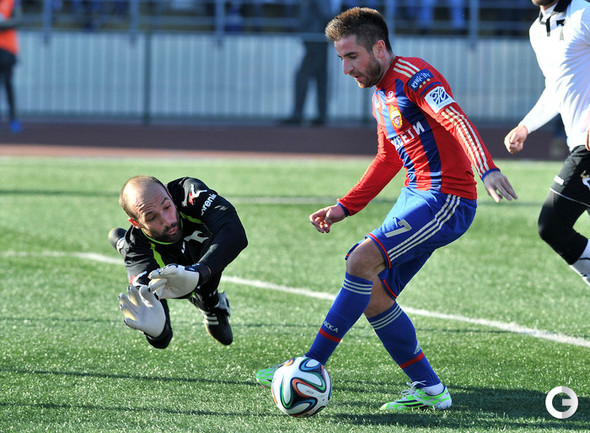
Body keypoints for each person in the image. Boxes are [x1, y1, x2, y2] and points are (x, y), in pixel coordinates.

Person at [257, 7, 517, 411]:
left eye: (352, 57)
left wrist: (487, 168)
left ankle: (310, 365)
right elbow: (387, 158)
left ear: (379, 48)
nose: (346, 69)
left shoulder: (415, 76)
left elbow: (456, 120)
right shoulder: (380, 94)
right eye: (341, 58)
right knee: (374, 292)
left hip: (446, 198)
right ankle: (429, 388)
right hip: (415, 195)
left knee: (360, 260)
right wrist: (344, 207)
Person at [504, 0, 590, 287]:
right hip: (579, 144)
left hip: (587, 150)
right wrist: (526, 126)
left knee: (551, 225)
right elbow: (556, 88)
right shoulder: (536, 32)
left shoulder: (583, 12)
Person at [110, 175, 248, 349]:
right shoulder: (137, 250)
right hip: (162, 269)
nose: (168, 221)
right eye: (151, 218)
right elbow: (162, 338)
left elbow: (235, 233)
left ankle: (209, 302)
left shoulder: (187, 193)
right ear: (136, 223)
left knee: (213, 249)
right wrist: (157, 334)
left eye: (167, 207)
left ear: (169, 194)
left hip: (200, 251)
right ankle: (123, 244)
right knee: (164, 285)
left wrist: (200, 271)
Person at [280, 0, 334, 126]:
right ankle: (321, 115)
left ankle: (299, 114)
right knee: (320, 77)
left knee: (303, 75)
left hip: (316, 39)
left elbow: (326, 15)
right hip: (317, 39)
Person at [0, 0, 22, 133]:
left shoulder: (12, 2)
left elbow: (17, 20)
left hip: (8, 49)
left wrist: (2, 24)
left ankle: (13, 119)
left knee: (8, 85)